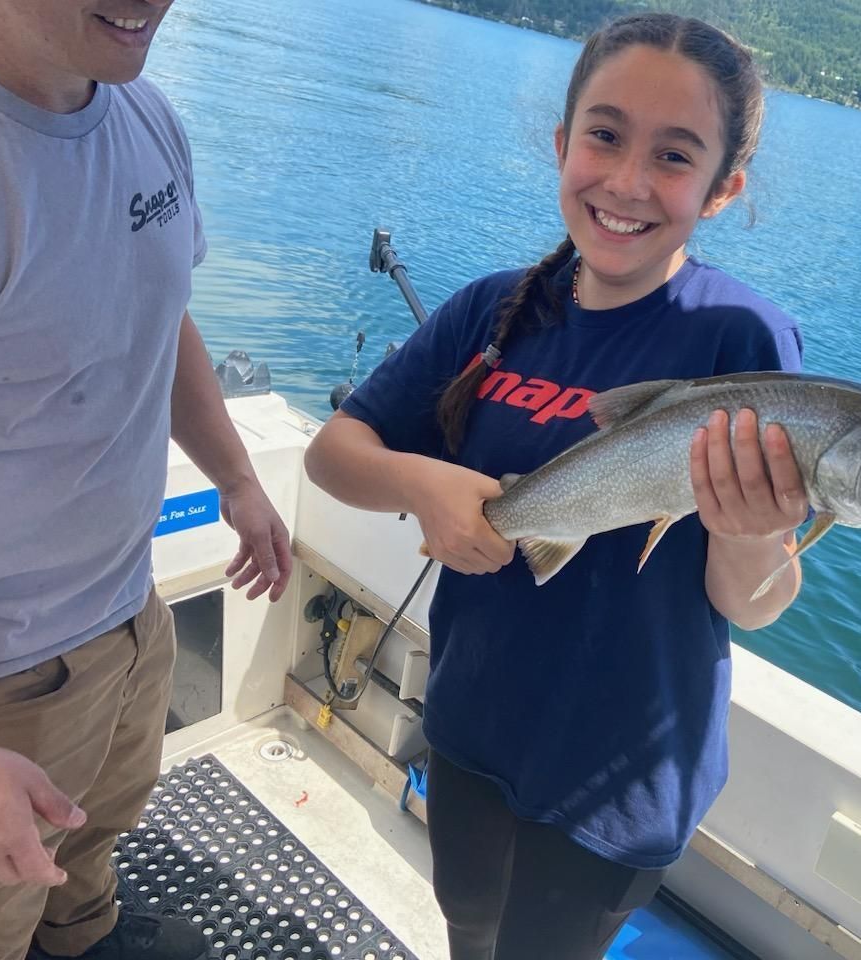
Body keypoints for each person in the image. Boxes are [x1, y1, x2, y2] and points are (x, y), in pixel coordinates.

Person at [305, 12, 808, 960]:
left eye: (674, 155)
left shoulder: (743, 342)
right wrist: (424, 484)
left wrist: (749, 534)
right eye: (605, 135)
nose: (625, 182)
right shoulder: (494, 309)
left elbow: (754, 602)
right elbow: (334, 453)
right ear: (562, 141)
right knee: (467, 927)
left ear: (723, 187)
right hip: (469, 718)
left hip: (619, 773)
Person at [0, 1, 292, 958]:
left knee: (89, 858)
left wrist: (237, 477)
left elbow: (159, 310)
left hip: (131, 615)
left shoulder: (144, 112)